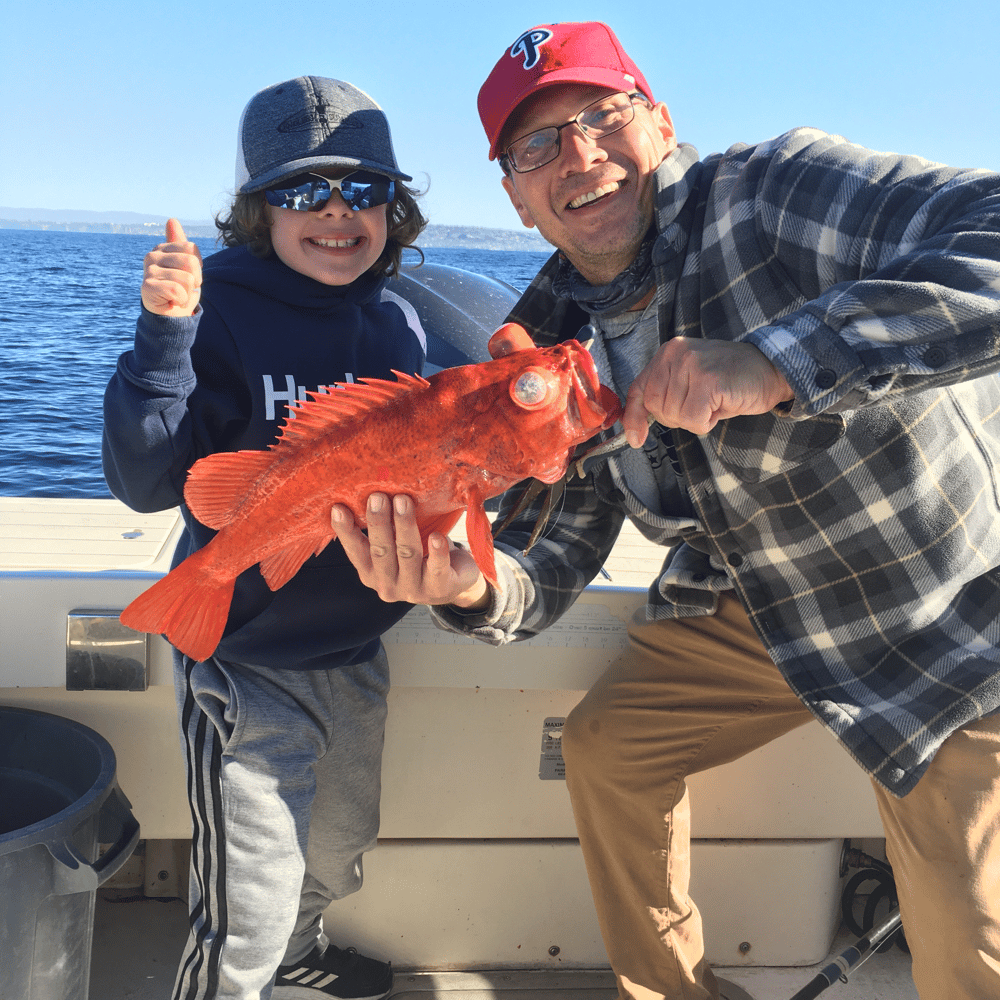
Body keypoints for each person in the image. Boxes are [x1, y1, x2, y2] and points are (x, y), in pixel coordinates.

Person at [330, 21, 1000, 1000]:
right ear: (515, 196)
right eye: (538, 146)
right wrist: (468, 583)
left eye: (602, 118)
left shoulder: (771, 193)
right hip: (754, 612)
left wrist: (778, 361)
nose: (581, 157)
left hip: (947, 612)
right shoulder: (549, 337)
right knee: (606, 751)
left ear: (659, 121)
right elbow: (550, 558)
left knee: (970, 949)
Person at [103, 76, 427, 1000]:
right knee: (250, 897)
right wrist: (165, 336)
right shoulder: (222, 309)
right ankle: (244, 974)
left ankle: (300, 952)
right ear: (258, 209)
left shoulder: (399, 323)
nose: (335, 212)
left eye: (363, 190)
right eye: (300, 191)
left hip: (356, 652)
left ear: (392, 210)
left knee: (337, 850)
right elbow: (146, 481)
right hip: (240, 654)